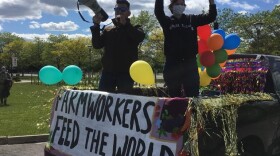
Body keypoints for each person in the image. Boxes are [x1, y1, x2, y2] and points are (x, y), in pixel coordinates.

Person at [154, 0, 217, 97]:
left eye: (182, 4)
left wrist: (211, 2)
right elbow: (158, 12)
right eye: (177, 4)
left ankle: (192, 112)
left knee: (193, 97)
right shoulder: (166, 21)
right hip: (172, 64)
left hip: (190, 64)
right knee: (174, 97)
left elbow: (211, 17)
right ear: (172, 6)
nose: (180, 6)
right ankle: (175, 112)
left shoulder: (192, 19)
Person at [91, 0, 145, 94]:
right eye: (117, 9)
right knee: (103, 100)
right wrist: (96, 25)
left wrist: (125, 24)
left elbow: (139, 37)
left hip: (126, 74)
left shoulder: (136, 28)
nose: (119, 11)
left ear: (129, 13)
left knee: (124, 101)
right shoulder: (108, 29)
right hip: (107, 73)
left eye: (122, 9)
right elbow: (97, 45)